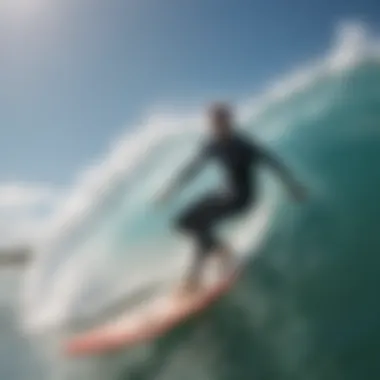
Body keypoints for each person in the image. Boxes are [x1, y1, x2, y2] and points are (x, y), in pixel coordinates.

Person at [157, 103, 307, 294]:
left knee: (201, 224)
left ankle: (195, 279)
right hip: (224, 193)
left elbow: (272, 162)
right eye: (213, 123)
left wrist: (293, 186)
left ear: (229, 122)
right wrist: (170, 189)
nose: (216, 127)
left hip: (243, 199)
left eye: (221, 122)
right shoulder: (212, 145)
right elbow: (192, 169)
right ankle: (221, 250)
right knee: (182, 223)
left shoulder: (244, 145)